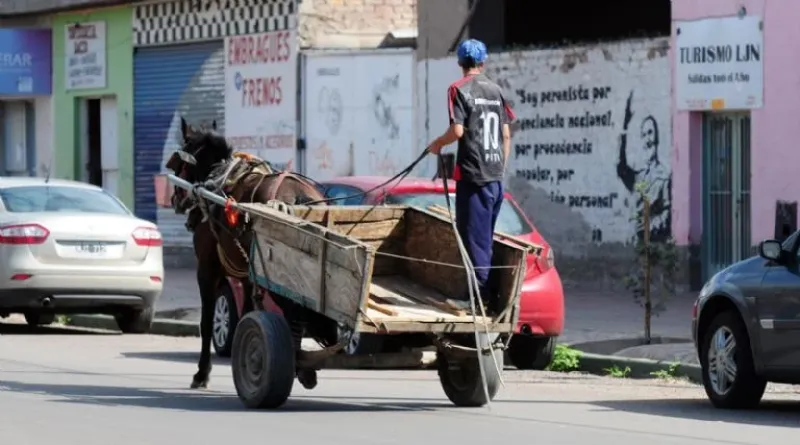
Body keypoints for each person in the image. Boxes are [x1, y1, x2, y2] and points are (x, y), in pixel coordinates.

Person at [426, 39, 516, 311]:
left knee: (474, 240)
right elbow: (506, 134)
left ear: (460, 63)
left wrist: (437, 145)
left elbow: (457, 132)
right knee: (484, 239)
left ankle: (476, 301)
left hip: (473, 178)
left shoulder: (458, 89)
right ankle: (483, 296)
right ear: (483, 62)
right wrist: (499, 167)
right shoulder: (496, 90)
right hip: (494, 178)